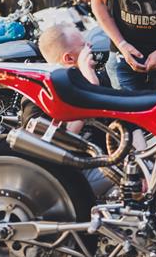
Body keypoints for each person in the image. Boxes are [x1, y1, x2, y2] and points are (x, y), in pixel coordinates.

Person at [27, 23, 114, 196]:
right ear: (68, 59)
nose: (90, 47)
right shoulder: (38, 95)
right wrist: (90, 89)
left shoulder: (97, 76)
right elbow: (58, 142)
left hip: (103, 161)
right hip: (65, 177)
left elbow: (124, 122)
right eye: (83, 45)